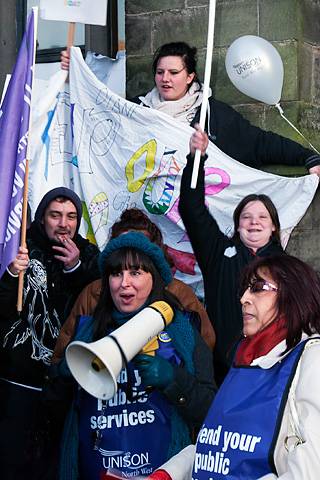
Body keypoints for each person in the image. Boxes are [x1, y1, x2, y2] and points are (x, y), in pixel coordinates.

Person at [51, 231, 215, 480]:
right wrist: (63, 376)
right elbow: (51, 409)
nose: (124, 283)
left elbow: (210, 410)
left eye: (136, 273)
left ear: (154, 279)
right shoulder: (87, 330)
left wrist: (174, 381)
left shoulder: (182, 332)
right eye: (116, 274)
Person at [150, 254, 320, 480]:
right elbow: (217, 445)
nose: (243, 298)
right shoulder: (244, 358)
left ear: (294, 294)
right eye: (246, 289)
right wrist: (168, 473)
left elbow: (310, 470)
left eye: (258, 287)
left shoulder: (312, 359)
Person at [61, 41, 320, 174]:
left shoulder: (213, 115)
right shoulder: (137, 111)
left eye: (174, 72)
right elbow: (99, 121)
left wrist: (307, 157)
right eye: (160, 72)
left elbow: (259, 143)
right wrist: (74, 74)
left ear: (190, 77)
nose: (165, 79)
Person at [0, 187, 100, 480]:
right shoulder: (19, 247)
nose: (63, 223)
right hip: (16, 381)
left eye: (70, 216)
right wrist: (11, 275)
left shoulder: (88, 253)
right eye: (55, 215)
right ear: (42, 217)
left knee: (54, 465)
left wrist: (75, 268)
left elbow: (98, 301)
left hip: (64, 383)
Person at [179, 127, 287, 384]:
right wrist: (196, 158)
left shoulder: (287, 267)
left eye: (262, 217)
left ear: (274, 226)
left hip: (273, 369)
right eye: (246, 217)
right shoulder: (218, 253)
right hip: (223, 371)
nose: (254, 222)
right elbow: (191, 209)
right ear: (237, 225)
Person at [52, 208, 215, 365]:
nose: (125, 283)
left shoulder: (179, 294)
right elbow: (63, 351)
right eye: (122, 247)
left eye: (138, 248)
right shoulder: (93, 292)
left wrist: (175, 378)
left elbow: (204, 349)